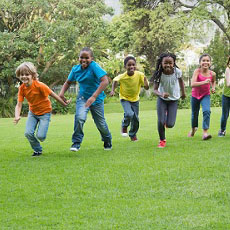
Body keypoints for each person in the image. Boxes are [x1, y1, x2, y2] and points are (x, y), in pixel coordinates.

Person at [59, 47, 112, 151]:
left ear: (91, 58)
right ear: (78, 58)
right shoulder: (75, 69)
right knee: (79, 117)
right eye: (81, 57)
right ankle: (76, 142)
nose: (84, 60)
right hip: (83, 98)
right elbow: (68, 82)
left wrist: (94, 96)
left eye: (86, 57)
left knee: (100, 123)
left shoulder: (94, 66)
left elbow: (105, 81)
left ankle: (107, 139)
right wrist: (61, 94)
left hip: (97, 99)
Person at [14, 62, 70, 156]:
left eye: (27, 74)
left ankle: (41, 135)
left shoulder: (40, 85)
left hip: (45, 113)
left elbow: (53, 94)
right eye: (21, 75)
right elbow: (19, 104)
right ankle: (37, 150)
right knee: (28, 133)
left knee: (41, 136)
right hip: (33, 113)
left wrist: (63, 103)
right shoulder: (22, 88)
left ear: (33, 75)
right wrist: (17, 116)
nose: (24, 76)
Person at [110, 55, 149, 141]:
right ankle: (124, 126)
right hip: (124, 98)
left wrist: (146, 83)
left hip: (135, 99)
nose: (131, 66)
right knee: (129, 114)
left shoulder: (140, 75)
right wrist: (113, 90)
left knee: (135, 118)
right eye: (129, 65)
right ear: (125, 67)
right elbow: (115, 81)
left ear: (135, 65)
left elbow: (146, 87)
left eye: (133, 64)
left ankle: (133, 135)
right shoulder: (123, 76)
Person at [152, 52, 186, 148]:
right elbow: (154, 90)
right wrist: (161, 94)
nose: (168, 65)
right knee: (161, 121)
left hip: (173, 100)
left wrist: (183, 93)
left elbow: (181, 82)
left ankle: (167, 118)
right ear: (161, 63)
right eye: (165, 63)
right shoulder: (159, 74)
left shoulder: (177, 72)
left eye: (170, 63)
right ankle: (162, 140)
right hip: (162, 99)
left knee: (170, 124)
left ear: (174, 63)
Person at [188, 53, 216, 140]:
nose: (205, 62)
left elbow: (213, 81)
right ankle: (193, 129)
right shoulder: (197, 71)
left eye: (208, 61)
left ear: (210, 63)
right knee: (194, 114)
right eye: (203, 60)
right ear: (200, 62)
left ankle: (205, 133)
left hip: (205, 95)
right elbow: (192, 84)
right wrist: (204, 82)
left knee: (207, 111)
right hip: (195, 95)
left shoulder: (213, 74)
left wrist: (213, 88)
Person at [218, 57, 230, 137]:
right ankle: (222, 130)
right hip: (226, 96)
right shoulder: (228, 69)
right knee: (225, 114)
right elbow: (228, 84)